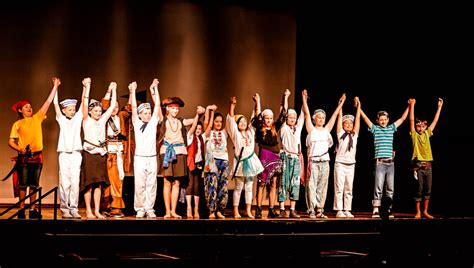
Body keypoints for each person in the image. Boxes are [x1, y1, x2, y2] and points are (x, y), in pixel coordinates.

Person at [8, 77, 59, 219]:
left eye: (30, 106)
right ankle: (21, 209)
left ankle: (33, 209)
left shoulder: (37, 118)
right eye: (26, 107)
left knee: (34, 184)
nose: (29, 108)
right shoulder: (17, 124)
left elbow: (47, 103)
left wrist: (55, 86)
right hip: (25, 156)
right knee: (23, 184)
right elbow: (10, 141)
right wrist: (20, 149)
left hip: (37, 156)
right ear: (20, 110)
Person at [360, 99, 409, 218]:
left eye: (385, 119)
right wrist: (359, 108)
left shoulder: (391, 128)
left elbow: (402, 119)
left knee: (390, 188)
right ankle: (376, 209)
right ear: (377, 121)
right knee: (378, 186)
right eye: (381, 119)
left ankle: (388, 209)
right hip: (380, 162)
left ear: (388, 120)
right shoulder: (375, 129)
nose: (383, 121)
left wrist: (409, 106)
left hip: (391, 163)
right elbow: (366, 119)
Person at [302, 90, 345, 219]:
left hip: (325, 161)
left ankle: (320, 209)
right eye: (319, 117)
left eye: (323, 118)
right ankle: (311, 209)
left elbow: (335, 115)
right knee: (311, 186)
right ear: (315, 119)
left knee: (322, 186)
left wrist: (341, 103)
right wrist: (304, 99)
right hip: (313, 162)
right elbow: (306, 113)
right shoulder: (311, 129)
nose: (321, 119)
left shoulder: (326, 130)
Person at [158, 95, 202, 219]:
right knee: (167, 182)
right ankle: (167, 211)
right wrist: (154, 90)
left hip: (179, 151)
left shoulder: (180, 121)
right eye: (173, 109)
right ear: (167, 109)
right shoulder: (163, 119)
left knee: (176, 182)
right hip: (167, 152)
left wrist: (199, 114)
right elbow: (157, 107)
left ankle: (173, 210)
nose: (175, 111)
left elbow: (192, 121)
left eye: (177, 109)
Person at [81, 78, 117, 219]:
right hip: (89, 154)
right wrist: (87, 86)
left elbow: (112, 104)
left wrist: (114, 89)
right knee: (89, 184)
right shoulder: (86, 120)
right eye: (95, 111)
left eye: (100, 110)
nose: (98, 113)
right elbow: (85, 103)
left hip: (101, 154)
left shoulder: (102, 120)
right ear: (90, 112)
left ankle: (97, 210)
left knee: (99, 185)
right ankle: (89, 211)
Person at [227, 96, 264, 219]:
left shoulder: (251, 132)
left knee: (249, 187)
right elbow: (231, 120)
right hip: (241, 162)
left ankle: (249, 210)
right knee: (238, 188)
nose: (243, 123)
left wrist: (257, 102)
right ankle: (236, 211)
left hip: (251, 161)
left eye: (244, 121)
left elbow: (255, 117)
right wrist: (232, 105)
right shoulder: (235, 134)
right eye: (240, 122)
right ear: (237, 125)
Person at [251, 92, 286, 218]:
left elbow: (283, 116)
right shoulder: (260, 127)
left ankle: (271, 209)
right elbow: (257, 116)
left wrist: (285, 98)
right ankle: (258, 209)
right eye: (267, 118)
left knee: (274, 183)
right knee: (261, 182)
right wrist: (258, 102)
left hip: (275, 157)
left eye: (271, 118)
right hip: (265, 157)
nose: (269, 120)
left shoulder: (275, 127)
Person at [129, 79, 161, 218]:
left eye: (149, 112)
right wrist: (133, 91)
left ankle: (149, 208)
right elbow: (134, 108)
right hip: (140, 158)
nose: (148, 114)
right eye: (145, 113)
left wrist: (155, 88)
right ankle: (140, 208)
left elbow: (158, 105)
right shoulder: (136, 123)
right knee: (140, 184)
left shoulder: (153, 122)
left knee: (151, 184)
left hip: (152, 157)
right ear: (141, 114)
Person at [53, 80, 84, 219]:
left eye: (73, 109)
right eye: (70, 109)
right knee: (64, 182)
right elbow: (55, 104)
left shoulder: (77, 118)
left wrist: (85, 88)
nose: (72, 111)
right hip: (64, 154)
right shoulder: (61, 119)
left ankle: (74, 208)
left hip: (76, 153)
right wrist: (56, 87)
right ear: (64, 110)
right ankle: (64, 208)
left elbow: (83, 104)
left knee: (75, 182)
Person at [409, 98, 443, 219]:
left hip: (428, 167)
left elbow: (435, 120)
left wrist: (439, 107)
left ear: (425, 126)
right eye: (418, 126)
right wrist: (412, 105)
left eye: (423, 125)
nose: (420, 127)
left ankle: (425, 211)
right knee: (418, 190)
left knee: (428, 190)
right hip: (419, 166)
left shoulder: (428, 133)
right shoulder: (414, 135)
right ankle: (418, 212)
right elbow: (411, 120)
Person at [333, 96, 361, 218]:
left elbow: (358, 119)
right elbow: (339, 117)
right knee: (339, 187)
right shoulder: (340, 134)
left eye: (351, 123)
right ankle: (339, 209)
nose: (349, 124)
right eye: (347, 123)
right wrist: (341, 103)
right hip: (340, 163)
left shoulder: (354, 135)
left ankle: (347, 209)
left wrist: (358, 106)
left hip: (351, 164)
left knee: (349, 188)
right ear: (343, 125)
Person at [101, 88, 127, 218]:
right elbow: (104, 104)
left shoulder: (121, 116)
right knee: (107, 181)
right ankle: (107, 206)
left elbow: (130, 109)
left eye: (117, 106)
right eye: (113, 106)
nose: (115, 108)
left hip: (118, 154)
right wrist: (110, 91)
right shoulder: (105, 118)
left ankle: (116, 207)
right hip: (107, 154)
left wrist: (131, 92)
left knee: (117, 181)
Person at [278, 89, 304, 218]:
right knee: (284, 182)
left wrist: (304, 99)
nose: (293, 119)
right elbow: (283, 111)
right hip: (286, 157)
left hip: (296, 158)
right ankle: (282, 208)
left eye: (294, 117)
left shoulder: (298, 128)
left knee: (295, 183)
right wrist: (286, 97)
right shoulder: (284, 127)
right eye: (290, 117)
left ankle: (292, 209)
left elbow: (303, 115)